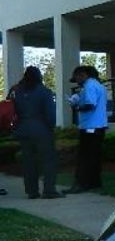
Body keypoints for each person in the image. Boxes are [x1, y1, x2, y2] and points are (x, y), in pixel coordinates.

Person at [11, 66, 63, 199]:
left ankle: (32, 191)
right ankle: (49, 190)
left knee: (28, 162)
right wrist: (51, 128)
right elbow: (50, 115)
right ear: (39, 77)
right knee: (48, 160)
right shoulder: (45, 92)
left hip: (23, 130)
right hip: (42, 130)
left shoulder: (18, 92)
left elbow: (13, 110)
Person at [65, 65, 108, 194]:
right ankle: (94, 183)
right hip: (99, 126)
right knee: (94, 157)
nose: (76, 81)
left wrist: (77, 107)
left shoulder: (89, 86)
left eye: (77, 78)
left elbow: (90, 104)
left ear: (83, 75)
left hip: (90, 126)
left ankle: (81, 184)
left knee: (84, 157)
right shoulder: (99, 86)